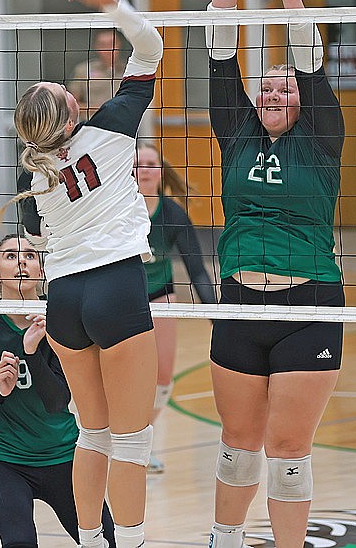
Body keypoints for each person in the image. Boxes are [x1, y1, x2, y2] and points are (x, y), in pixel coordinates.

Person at [7, 0, 162, 548]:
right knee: (131, 440)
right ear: (69, 115)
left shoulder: (34, 177)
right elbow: (152, 46)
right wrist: (113, 6)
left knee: (91, 433)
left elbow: (35, 234)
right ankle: (136, 541)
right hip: (116, 288)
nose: (73, 91)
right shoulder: (113, 130)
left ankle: (92, 540)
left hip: (65, 299)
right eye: (66, 94)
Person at [203, 0, 346, 548]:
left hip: (308, 307)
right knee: (238, 446)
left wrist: (291, 0)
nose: (274, 88)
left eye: (286, 85)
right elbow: (218, 61)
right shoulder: (236, 133)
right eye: (267, 84)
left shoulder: (321, 141)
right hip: (238, 302)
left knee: (289, 449)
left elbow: (311, 66)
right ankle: (223, 539)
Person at [0, 234, 117, 547]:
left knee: (107, 542)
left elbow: (58, 401)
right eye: (11, 256)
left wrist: (32, 352)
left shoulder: (61, 323)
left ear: (41, 271)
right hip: (4, 460)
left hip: (65, 457)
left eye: (29, 255)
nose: (22, 261)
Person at [133, 143, 217, 474]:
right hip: (123, 297)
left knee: (163, 377)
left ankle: (142, 439)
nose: (146, 170)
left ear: (161, 171)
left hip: (160, 294)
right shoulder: (118, 209)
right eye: (139, 164)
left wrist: (216, 316)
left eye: (152, 164)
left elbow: (197, 269)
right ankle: (116, 439)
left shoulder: (173, 215)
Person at [67, 28, 127, 121]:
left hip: (122, 126)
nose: (108, 49)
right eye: (103, 45)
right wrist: (99, 109)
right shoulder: (84, 70)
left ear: (119, 45)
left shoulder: (129, 71)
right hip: (92, 126)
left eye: (112, 43)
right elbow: (70, 104)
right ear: (97, 47)